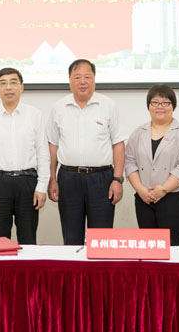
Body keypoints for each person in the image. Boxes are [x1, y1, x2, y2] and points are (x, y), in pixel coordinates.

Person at [47, 59, 127, 245]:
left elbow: (118, 144)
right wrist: (52, 179)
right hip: (68, 178)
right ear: (69, 80)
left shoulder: (109, 106)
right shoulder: (58, 108)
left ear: (94, 79)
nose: (82, 81)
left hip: (101, 179)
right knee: (71, 237)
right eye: (77, 77)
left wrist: (117, 179)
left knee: (101, 240)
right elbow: (52, 146)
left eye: (87, 77)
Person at [0, 68, 49, 244]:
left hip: (28, 182)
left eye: (13, 82)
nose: (8, 87)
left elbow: (42, 152)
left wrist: (42, 186)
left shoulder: (35, 115)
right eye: (3, 83)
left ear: (21, 87)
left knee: (28, 238)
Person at [125, 84, 179, 246]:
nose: (160, 107)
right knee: (148, 247)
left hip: (172, 198)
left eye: (165, 103)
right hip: (144, 198)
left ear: (173, 106)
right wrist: (140, 189)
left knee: (172, 247)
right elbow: (130, 162)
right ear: (148, 106)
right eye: (155, 102)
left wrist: (163, 189)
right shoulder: (138, 132)